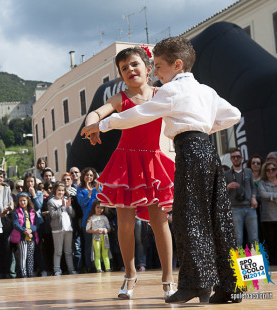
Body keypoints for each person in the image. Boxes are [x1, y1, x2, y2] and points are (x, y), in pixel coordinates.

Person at [81, 37, 241, 304]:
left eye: (157, 66)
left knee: (188, 219)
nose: (156, 72)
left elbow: (139, 114)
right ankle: (233, 285)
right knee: (219, 219)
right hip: (206, 150)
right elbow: (233, 114)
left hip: (187, 152)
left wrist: (104, 126)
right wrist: (201, 125)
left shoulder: (167, 91)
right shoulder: (205, 90)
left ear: (176, 65)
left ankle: (194, 284)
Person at [81, 45, 176, 300]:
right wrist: (93, 125)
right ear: (121, 76)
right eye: (124, 68)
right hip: (125, 164)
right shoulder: (120, 98)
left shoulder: (161, 94)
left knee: (159, 222)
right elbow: (97, 112)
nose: (130, 70)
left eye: (134, 64)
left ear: (148, 69)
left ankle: (168, 279)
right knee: (125, 224)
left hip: (153, 163)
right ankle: (130, 275)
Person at [225, 148, 258, 248]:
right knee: (238, 238)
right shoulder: (226, 174)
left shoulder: (248, 172)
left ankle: (256, 262)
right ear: (230, 159)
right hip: (235, 209)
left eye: (238, 157)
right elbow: (221, 192)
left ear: (242, 158)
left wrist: (253, 198)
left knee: (254, 237)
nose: (236, 159)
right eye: (233, 157)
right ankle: (237, 262)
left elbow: (253, 187)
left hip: (249, 208)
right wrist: (228, 186)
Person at [257, 161, 277, 265]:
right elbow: (264, 195)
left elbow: (268, 196)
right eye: (268, 170)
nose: (270, 171)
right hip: (267, 218)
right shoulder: (261, 183)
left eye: (273, 169)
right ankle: (274, 266)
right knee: (271, 244)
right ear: (265, 172)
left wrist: (275, 199)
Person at [76, 167, 101, 274]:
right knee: (88, 245)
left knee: (99, 244)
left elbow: (102, 200)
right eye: (87, 175)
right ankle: (89, 266)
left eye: (91, 175)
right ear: (83, 176)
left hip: (99, 220)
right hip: (87, 221)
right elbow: (82, 203)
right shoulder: (80, 189)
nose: (89, 177)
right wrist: (89, 194)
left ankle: (99, 265)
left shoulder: (97, 188)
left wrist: (98, 189)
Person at [49, 182, 76, 276]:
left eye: (62, 190)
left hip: (68, 228)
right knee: (58, 251)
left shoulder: (66, 199)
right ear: (55, 191)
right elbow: (53, 215)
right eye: (59, 190)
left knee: (68, 251)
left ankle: (71, 269)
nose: (61, 192)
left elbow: (73, 214)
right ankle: (57, 270)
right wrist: (62, 207)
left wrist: (68, 207)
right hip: (57, 230)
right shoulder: (51, 201)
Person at [11, 193, 38, 278]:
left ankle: (30, 273)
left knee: (30, 256)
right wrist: (25, 231)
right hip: (22, 237)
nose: (22, 202)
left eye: (24, 200)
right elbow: (16, 224)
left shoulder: (32, 211)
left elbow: (37, 224)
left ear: (28, 201)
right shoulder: (16, 211)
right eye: (20, 201)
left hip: (31, 237)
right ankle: (24, 274)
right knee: (23, 256)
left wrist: (31, 230)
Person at [86, 200, 111, 273]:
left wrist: (106, 230)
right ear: (94, 208)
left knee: (105, 253)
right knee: (97, 253)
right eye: (98, 207)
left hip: (105, 237)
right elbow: (87, 229)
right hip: (96, 237)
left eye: (102, 208)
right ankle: (98, 268)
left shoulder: (104, 217)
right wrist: (95, 231)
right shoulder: (91, 218)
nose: (100, 209)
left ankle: (108, 268)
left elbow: (109, 228)